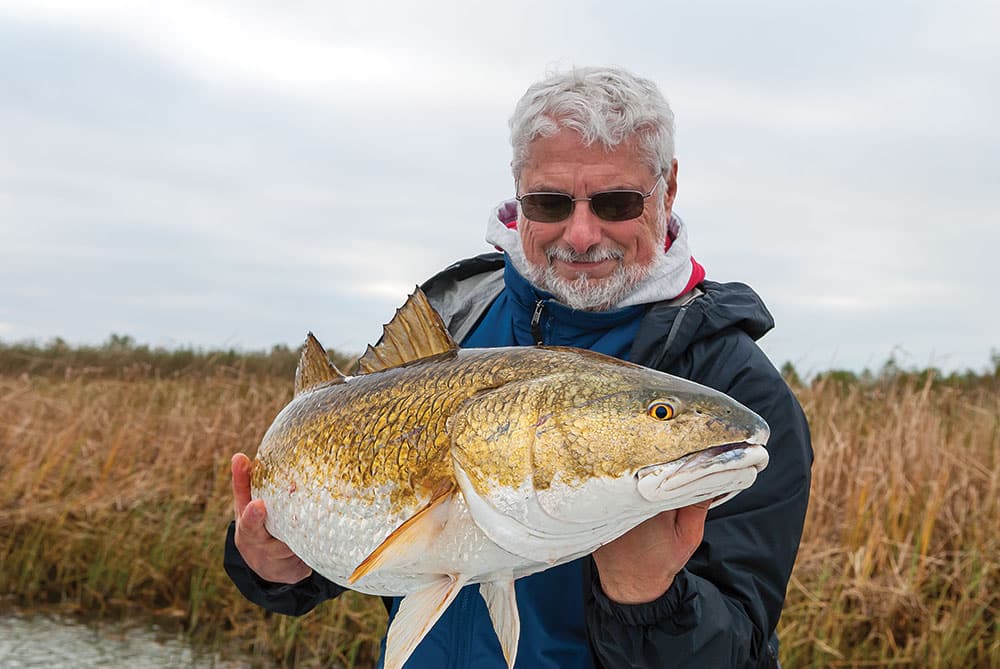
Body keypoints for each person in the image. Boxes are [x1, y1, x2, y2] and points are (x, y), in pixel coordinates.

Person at [225, 66, 813, 668]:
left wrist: (647, 596)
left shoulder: (736, 393)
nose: (581, 235)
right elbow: (357, 523)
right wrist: (276, 568)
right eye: (550, 202)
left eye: (617, 202)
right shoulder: (451, 317)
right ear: (517, 191)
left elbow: (738, 652)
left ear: (668, 190)